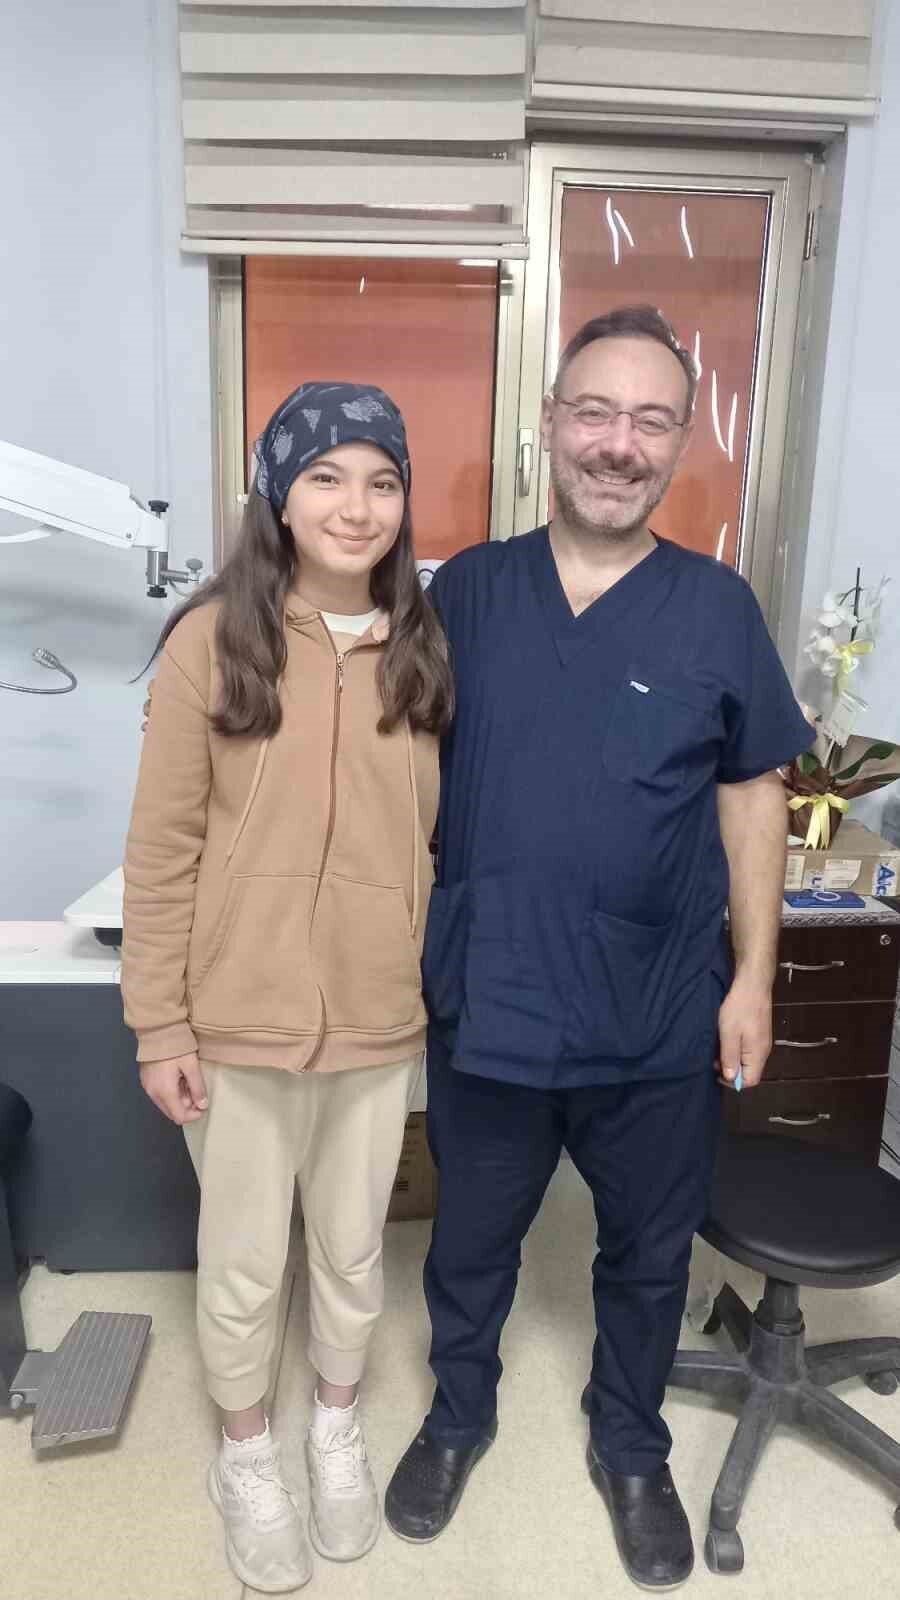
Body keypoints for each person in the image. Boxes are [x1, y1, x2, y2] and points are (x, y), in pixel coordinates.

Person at [384, 306, 814, 1589]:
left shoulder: (716, 608)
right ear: (551, 425)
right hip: (495, 998)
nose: (618, 443)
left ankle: (631, 1443)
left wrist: (754, 977)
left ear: (680, 443)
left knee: (647, 1253)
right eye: (595, 412)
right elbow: (386, 774)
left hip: (658, 1008)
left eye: (650, 420)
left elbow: (753, 798)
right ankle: (457, 1415)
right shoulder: (467, 592)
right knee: (471, 1242)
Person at [121, 382, 452, 1594]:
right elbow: (162, 848)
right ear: (278, 492)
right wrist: (159, 1021)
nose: (356, 506)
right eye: (326, 476)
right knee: (247, 1259)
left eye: (382, 480)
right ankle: (248, 1452)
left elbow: (438, 839)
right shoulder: (212, 640)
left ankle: (335, 1426)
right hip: (237, 1022)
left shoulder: (424, 645)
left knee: (356, 1253)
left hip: (376, 1018)